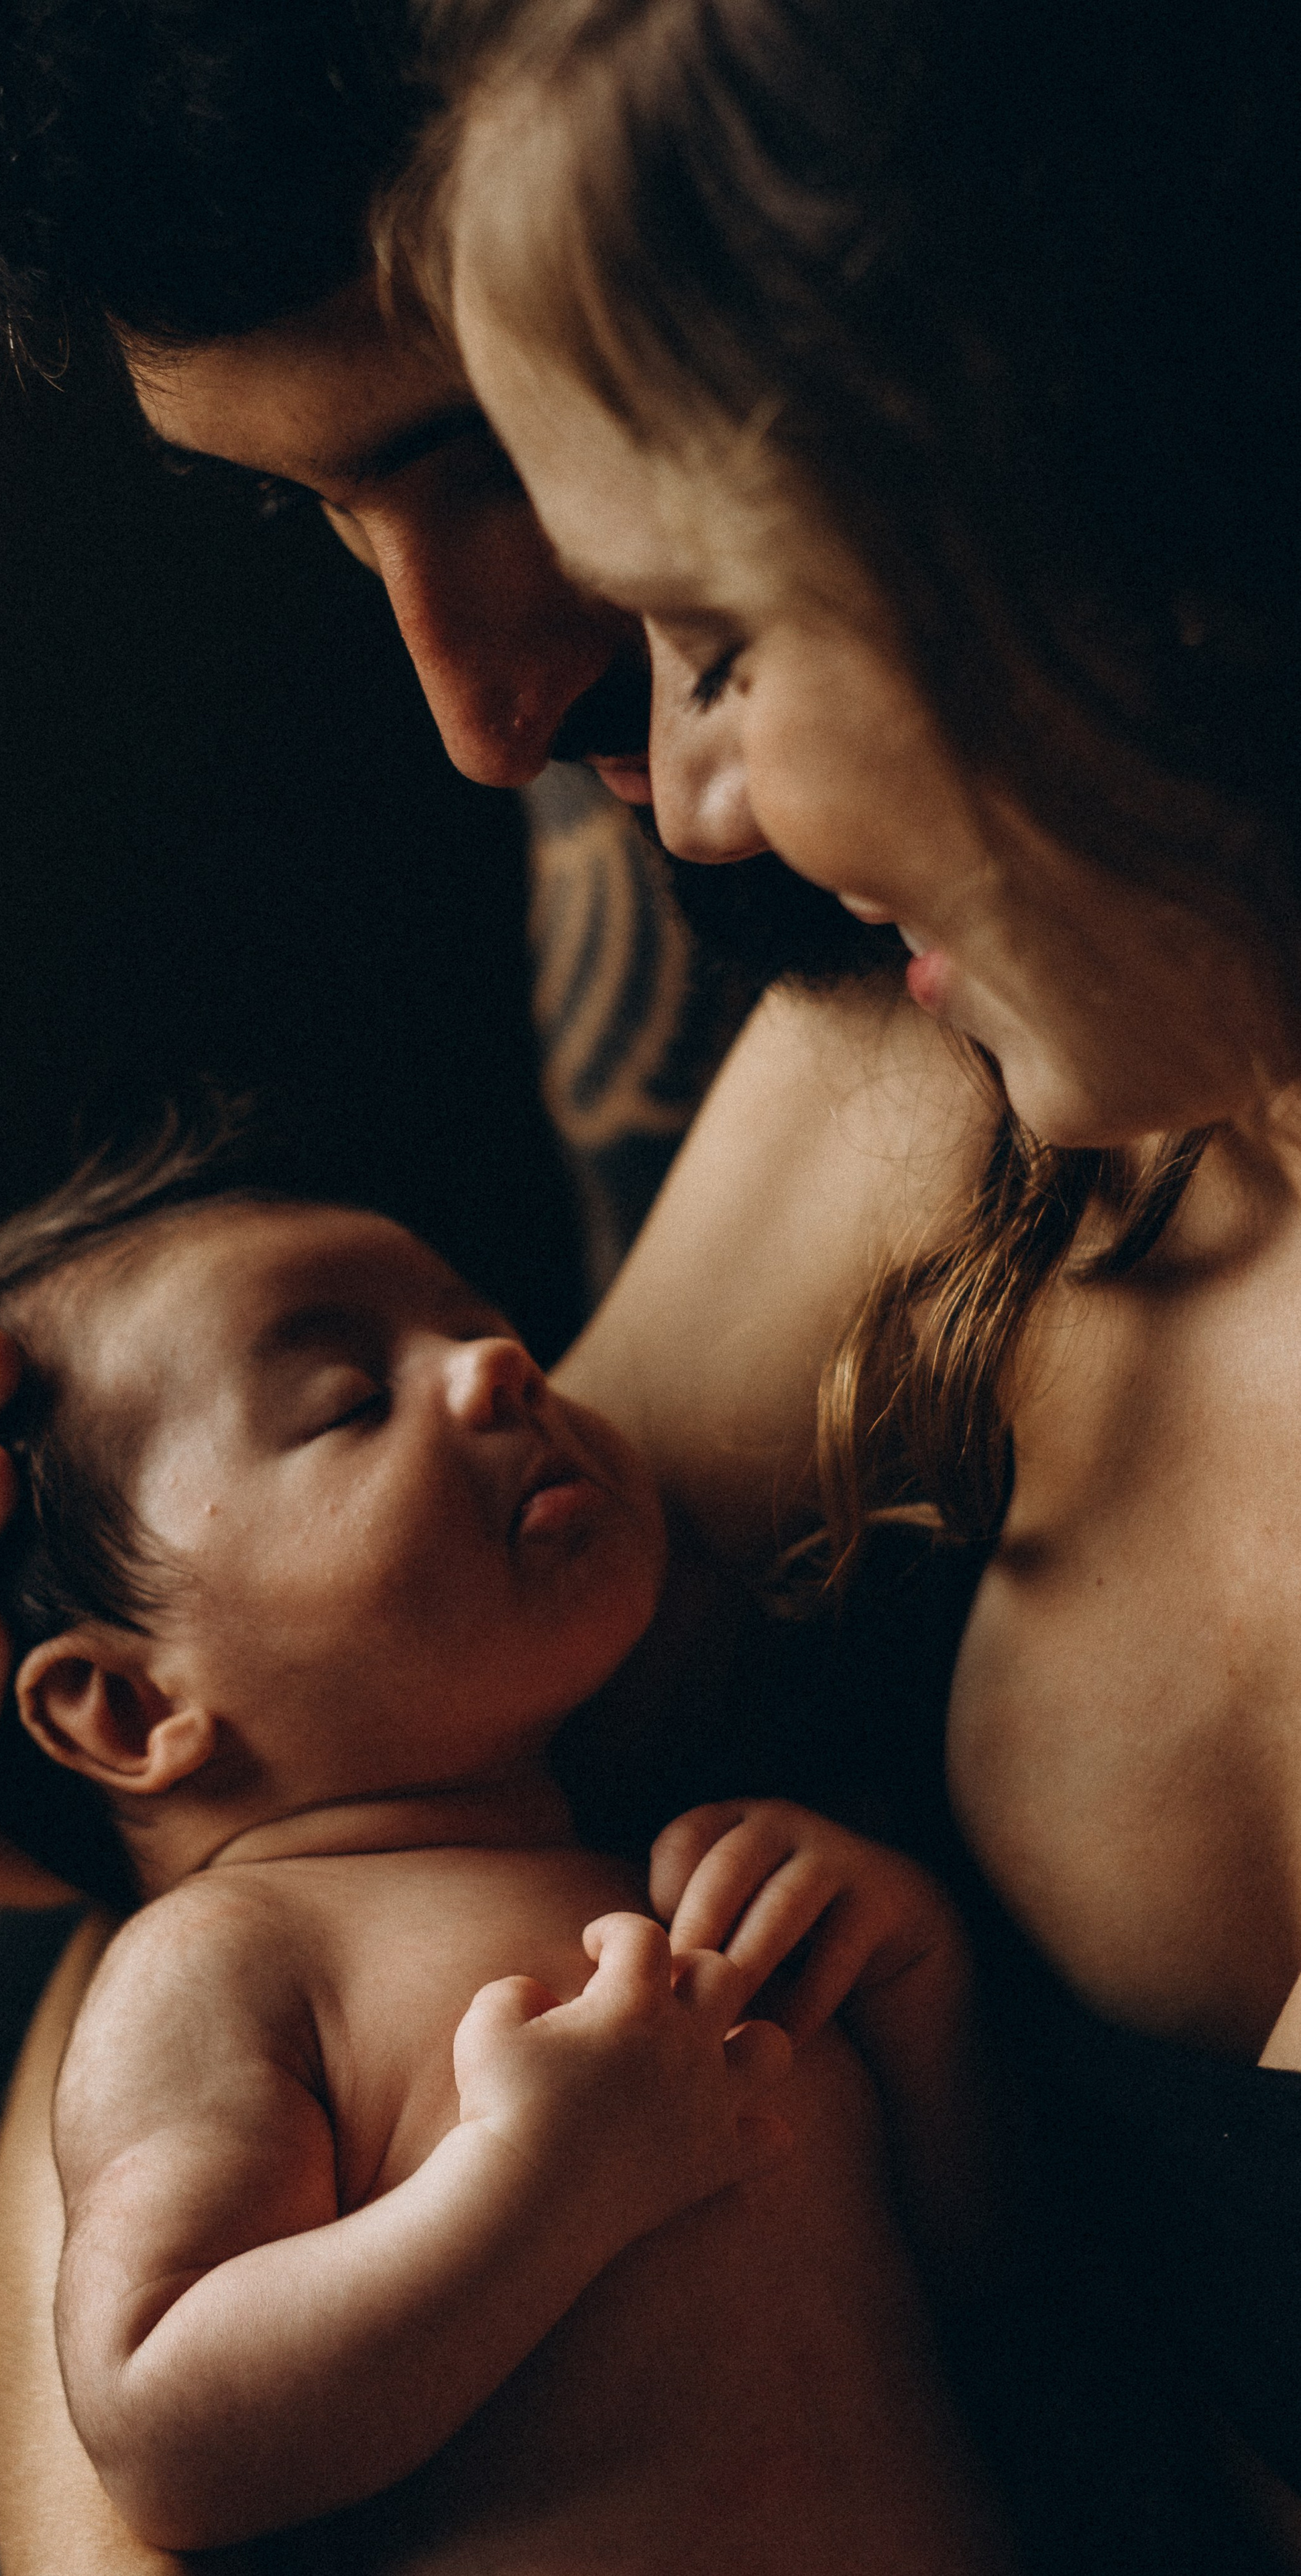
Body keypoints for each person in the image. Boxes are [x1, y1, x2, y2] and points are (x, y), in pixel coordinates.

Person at [0, 0, 886, 2498]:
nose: (485, 704)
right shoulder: (652, 771)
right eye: (321, 509)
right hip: (325, 1879)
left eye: (492, 446)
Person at [400, 0, 1301, 2555]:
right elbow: (280, 1880)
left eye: (716, 637)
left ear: (1084, 533)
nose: (686, 809)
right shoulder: (943, 1160)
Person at [0, 1123, 1005, 2573]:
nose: (498, 1368)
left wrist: (906, 1980)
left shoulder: (672, 1878)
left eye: (488, 1329)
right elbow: (164, 2422)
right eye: (348, 1400)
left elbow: (988, 2306)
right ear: (127, 1703)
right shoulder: (221, 1959)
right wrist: (522, 2189)